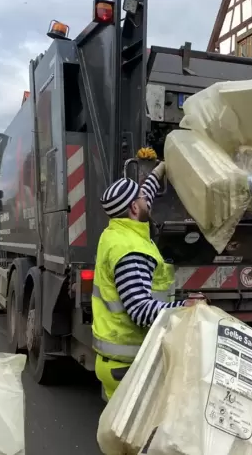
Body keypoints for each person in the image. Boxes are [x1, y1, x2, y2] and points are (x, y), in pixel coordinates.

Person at [92, 162, 201, 401]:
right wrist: (186, 308)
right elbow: (140, 310)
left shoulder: (117, 232)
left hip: (122, 360)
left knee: (121, 434)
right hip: (130, 363)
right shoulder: (131, 252)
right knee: (137, 435)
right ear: (133, 208)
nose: (147, 199)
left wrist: (158, 171)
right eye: (141, 197)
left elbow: (145, 197)